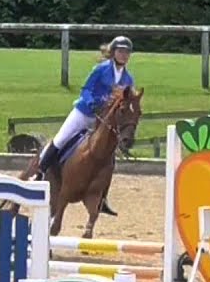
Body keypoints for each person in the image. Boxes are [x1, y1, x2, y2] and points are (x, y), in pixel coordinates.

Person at [35, 35, 136, 215]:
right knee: (60, 140)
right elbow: (86, 89)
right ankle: (40, 172)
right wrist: (91, 103)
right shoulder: (101, 69)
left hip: (103, 120)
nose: (124, 55)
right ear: (113, 52)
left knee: (109, 155)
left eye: (127, 52)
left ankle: (102, 197)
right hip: (84, 113)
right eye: (121, 51)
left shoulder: (128, 79)